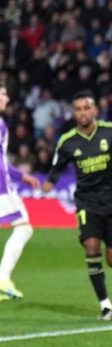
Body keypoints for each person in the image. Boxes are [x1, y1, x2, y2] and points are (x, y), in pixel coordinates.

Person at [41, 91, 112, 321]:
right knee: (91, 248)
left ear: (95, 110)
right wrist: (49, 182)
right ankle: (105, 305)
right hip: (87, 203)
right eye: (78, 109)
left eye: (86, 108)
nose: (82, 113)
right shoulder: (68, 141)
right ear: (74, 113)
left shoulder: (111, 132)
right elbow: (58, 165)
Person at [0, 83, 40, 301]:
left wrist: (21, 176)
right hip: (1, 188)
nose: (7, 98)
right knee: (24, 229)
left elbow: (2, 161)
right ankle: (3, 280)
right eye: (3, 94)